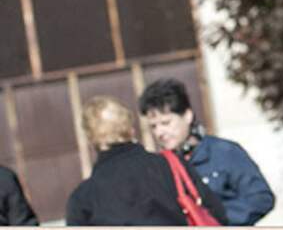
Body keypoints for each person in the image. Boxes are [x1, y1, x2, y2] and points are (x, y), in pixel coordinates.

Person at [66, 96, 227, 226]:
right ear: (131, 129)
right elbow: (216, 214)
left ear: (90, 138)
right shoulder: (171, 166)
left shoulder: (83, 198)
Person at [139, 79, 274, 225]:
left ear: (188, 116)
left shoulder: (224, 152)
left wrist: (211, 218)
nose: (159, 132)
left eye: (166, 123)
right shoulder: (158, 167)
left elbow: (261, 199)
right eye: (153, 126)